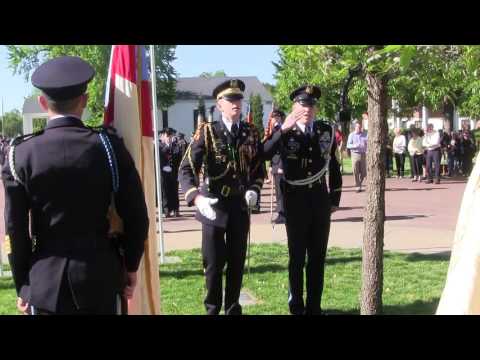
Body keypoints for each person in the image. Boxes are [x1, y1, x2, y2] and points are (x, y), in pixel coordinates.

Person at [2, 56, 149, 315]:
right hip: (101, 277)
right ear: (84, 100)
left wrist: (23, 284)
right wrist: (131, 267)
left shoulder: (20, 153)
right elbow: (137, 215)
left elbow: (15, 230)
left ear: (42, 102)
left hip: (46, 284)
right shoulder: (108, 147)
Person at [178, 79, 264, 315]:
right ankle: (212, 310)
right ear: (219, 104)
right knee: (214, 266)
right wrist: (196, 197)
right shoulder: (207, 131)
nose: (236, 103)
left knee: (237, 263)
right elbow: (186, 168)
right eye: (230, 99)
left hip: (239, 206)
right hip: (213, 205)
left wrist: (254, 189)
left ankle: (233, 309)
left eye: (238, 99)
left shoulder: (251, 132)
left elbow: (258, 168)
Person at [263, 85, 342, 315]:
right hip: (295, 200)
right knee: (297, 257)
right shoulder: (284, 131)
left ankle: (314, 307)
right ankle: (296, 306)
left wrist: (334, 197)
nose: (307, 109)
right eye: (302, 104)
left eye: (311, 105)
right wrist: (282, 129)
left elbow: (334, 166)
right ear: (293, 107)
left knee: (318, 257)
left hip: (319, 199)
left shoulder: (324, 130)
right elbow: (264, 152)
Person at [264, 109, 286, 224]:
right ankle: (281, 213)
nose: (273, 119)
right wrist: (271, 165)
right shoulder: (273, 130)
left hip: (281, 164)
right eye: (273, 117)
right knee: (278, 191)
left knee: (282, 191)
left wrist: (281, 165)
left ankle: (283, 214)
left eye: (276, 117)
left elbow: (283, 150)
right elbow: (271, 150)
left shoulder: (281, 130)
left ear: (280, 118)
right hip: (275, 163)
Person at [346, 121, 367, 192]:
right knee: (355, 171)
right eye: (358, 127)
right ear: (355, 127)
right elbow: (348, 145)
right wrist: (355, 146)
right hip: (355, 154)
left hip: (363, 154)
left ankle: (359, 183)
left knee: (364, 172)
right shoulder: (351, 135)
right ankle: (357, 186)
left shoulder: (364, 134)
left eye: (360, 127)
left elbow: (368, 143)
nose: (359, 128)